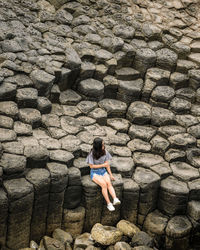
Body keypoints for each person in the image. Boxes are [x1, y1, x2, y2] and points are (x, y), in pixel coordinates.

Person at [86, 137, 121, 211]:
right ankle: (109, 204)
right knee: (104, 185)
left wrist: (111, 174)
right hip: (95, 172)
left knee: (109, 183)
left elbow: (107, 165)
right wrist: (102, 165)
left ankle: (115, 199)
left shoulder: (105, 151)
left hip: (103, 171)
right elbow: (91, 166)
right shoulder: (91, 154)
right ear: (98, 146)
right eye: (102, 144)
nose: (104, 145)